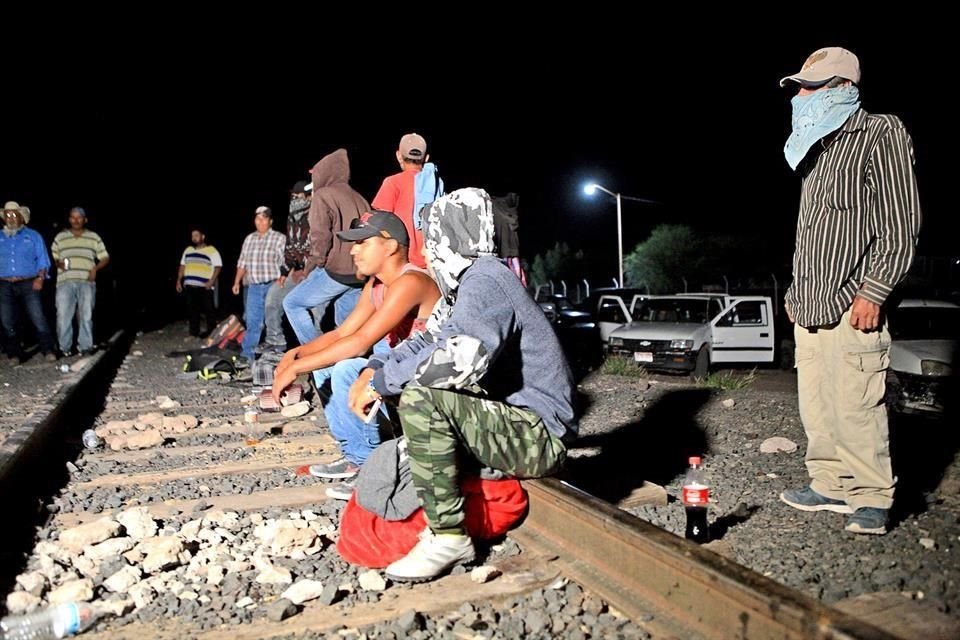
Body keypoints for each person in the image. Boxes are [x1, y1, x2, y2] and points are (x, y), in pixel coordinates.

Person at [347, 188, 577, 581]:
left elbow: (460, 358)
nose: (426, 250)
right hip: (509, 422)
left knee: (422, 397)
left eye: (431, 237)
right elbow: (427, 340)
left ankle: (449, 537)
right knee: (410, 388)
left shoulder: (487, 279)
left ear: (450, 235)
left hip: (539, 435)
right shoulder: (467, 285)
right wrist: (376, 368)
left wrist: (385, 381)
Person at [778, 47, 922, 535]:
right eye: (800, 86)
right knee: (816, 403)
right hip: (811, 302)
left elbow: (901, 224)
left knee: (857, 404)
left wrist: (875, 291)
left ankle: (871, 495)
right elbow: (812, 232)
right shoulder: (817, 148)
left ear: (842, 88)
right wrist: (795, 293)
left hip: (854, 299)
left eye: (811, 86)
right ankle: (830, 483)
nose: (800, 95)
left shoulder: (881, 132)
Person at [271, 211, 441, 500]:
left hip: (430, 381)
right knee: (325, 367)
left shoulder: (410, 281)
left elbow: (360, 343)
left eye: (362, 242)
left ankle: (370, 465)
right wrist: (296, 354)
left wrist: (296, 369)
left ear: (390, 246)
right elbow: (343, 333)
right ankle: (354, 456)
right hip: (399, 373)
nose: (353, 250)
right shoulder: (376, 285)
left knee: (347, 369)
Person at [282, 150, 367, 353]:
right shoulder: (359, 197)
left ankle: (315, 354)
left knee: (292, 303)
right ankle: (345, 362)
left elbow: (320, 238)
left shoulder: (323, 195)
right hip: (359, 273)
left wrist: (311, 267)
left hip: (337, 271)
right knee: (345, 324)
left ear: (325, 172)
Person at [263, 180, 318, 351]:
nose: (294, 199)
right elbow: (290, 246)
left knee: (318, 311)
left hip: (317, 272)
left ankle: (317, 349)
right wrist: (284, 271)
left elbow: (320, 248)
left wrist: (308, 271)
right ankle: (275, 342)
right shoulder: (292, 217)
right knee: (273, 297)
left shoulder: (317, 214)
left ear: (308, 197)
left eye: (298, 196)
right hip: (298, 272)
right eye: (293, 196)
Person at [0, 201, 56, 362]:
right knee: (7, 320)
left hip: (29, 282)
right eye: (7, 215)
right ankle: (14, 353)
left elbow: (43, 259)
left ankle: (47, 349)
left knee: (37, 316)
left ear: (21, 217)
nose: (11, 218)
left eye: (14, 214)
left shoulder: (33, 236)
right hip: (4, 283)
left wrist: (40, 278)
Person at [51, 207, 110, 356]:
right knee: (63, 315)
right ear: (69, 219)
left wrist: (95, 268)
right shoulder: (60, 237)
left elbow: (105, 257)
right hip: (65, 281)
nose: (76, 220)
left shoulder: (93, 237)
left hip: (86, 281)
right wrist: (58, 264)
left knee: (86, 315)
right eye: (73, 217)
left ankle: (85, 346)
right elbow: (54, 256)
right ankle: (64, 348)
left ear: (85, 220)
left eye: (79, 217)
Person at [232, 206, 285, 362]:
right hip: (253, 287)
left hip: (273, 286)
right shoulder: (249, 239)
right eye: (258, 218)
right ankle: (247, 355)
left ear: (270, 221)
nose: (261, 222)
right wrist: (236, 281)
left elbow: (286, 262)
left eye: (264, 218)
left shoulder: (279, 238)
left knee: (273, 321)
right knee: (252, 321)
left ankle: (276, 355)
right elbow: (242, 262)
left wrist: (283, 278)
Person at [371, 133, 431, 269]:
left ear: (398, 155)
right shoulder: (437, 184)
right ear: (426, 158)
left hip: (403, 262)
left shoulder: (392, 182)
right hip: (431, 262)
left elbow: (380, 224)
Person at [176, 228, 222, 337]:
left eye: (196, 235)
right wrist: (178, 280)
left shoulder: (211, 250)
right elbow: (182, 266)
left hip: (205, 286)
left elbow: (218, 267)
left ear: (203, 236)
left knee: (209, 310)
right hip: (189, 285)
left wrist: (211, 281)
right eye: (192, 236)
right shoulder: (188, 250)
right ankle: (194, 333)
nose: (194, 238)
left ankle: (212, 333)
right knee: (192, 310)